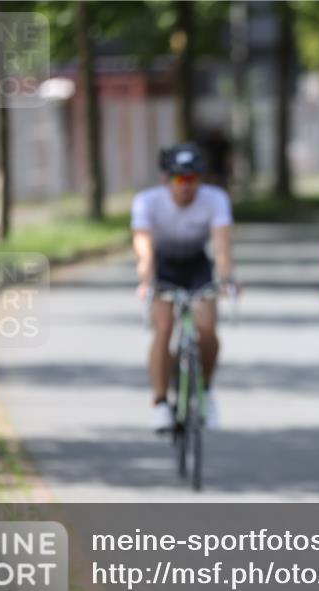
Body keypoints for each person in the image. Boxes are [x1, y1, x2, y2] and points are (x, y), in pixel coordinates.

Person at [132, 143, 237, 431]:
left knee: (206, 327)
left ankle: (205, 390)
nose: (186, 187)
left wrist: (226, 278)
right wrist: (146, 278)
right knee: (163, 328)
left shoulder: (215, 199)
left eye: (192, 180)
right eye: (179, 179)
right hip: (163, 266)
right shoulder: (147, 201)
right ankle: (160, 401)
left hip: (197, 266)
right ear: (166, 180)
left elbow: (222, 245)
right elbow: (144, 247)